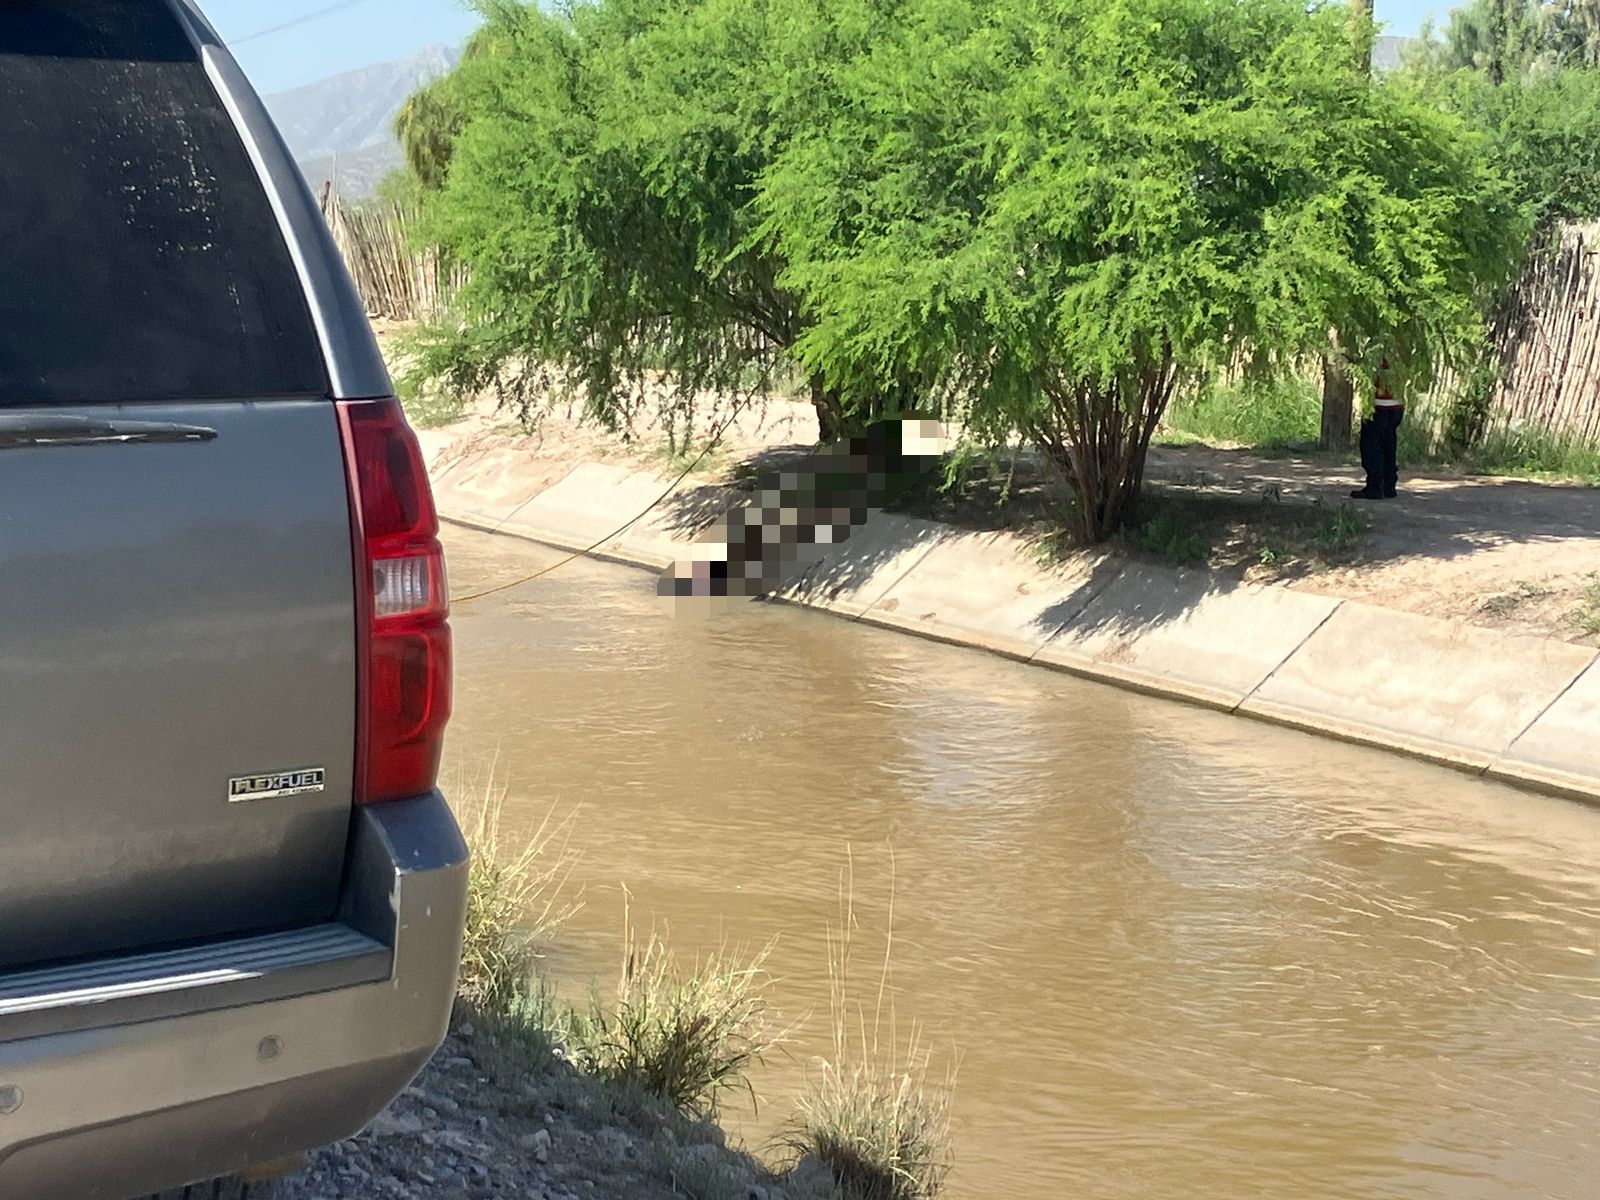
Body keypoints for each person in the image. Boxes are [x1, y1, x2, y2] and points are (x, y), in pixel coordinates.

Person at [1351, 356, 1403, 500]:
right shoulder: (1402, 344)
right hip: (1396, 405)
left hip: (1378, 405)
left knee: (1372, 447)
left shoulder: (1378, 348)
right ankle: (1388, 486)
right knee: (1389, 444)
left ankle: (1375, 487)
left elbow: (1369, 370)